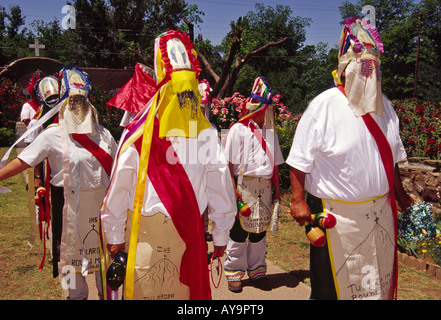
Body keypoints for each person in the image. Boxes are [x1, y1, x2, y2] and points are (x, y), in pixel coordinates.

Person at [100, 30, 236, 300]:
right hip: (183, 240)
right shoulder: (207, 133)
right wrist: (220, 237)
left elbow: (119, 189)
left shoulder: (135, 134)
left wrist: (115, 234)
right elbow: (220, 190)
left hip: (147, 239)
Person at [286, 17, 412, 300]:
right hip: (338, 220)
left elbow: (390, 156)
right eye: (363, 68)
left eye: (374, 68)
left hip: (380, 215)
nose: (369, 75)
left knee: (378, 284)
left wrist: (399, 191)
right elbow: (299, 159)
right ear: (345, 70)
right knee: (333, 290)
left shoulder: (386, 107)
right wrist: (297, 199)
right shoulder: (324, 106)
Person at [0, 65, 117, 300]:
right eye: (72, 101)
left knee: (105, 265)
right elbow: (23, 161)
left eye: (81, 100)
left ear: (90, 101)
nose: (77, 106)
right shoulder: (52, 134)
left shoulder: (104, 135)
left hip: (101, 211)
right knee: (72, 265)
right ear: (64, 103)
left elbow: (118, 171)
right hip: (68, 210)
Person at [223, 76, 283, 293]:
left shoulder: (271, 132)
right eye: (267, 108)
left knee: (259, 230)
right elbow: (228, 164)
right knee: (239, 230)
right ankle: (234, 271)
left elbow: (275, 165)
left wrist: (277, 191)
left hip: (265, 187)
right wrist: (233, 191)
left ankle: (258, 269)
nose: (270, 112)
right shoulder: (238, 130)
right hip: (244, 186)